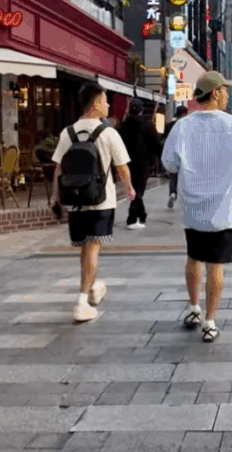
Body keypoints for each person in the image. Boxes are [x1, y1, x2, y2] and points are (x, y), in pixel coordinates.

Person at [161, 71, 232, 343]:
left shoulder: (182, 126)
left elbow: (169, 163)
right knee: (216, 265)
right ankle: (210, 320)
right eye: (224, 90)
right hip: (224, 208)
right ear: (215, 93)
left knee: (194, 257)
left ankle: (194, 308)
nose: (227, 95)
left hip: (192, 206)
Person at [52, 81, 136, 323]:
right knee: (93, 248)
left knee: (86, 249)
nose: (108, 104)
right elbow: (122, 167)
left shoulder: (67, 133)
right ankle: (81, 301)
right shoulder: (108, 133)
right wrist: (129, 189)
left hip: (74, 200)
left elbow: (58, 169)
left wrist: (55, 198)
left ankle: (92, 287)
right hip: (101, 200)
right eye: (106, 100)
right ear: (97, 103)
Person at [118, 98, 161, 229]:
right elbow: (156, 144)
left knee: (133, 189)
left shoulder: (123, 126)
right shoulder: (148, 125)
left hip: (127, 162)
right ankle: (132, 218)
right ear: (142, 110)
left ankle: (141, 214)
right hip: (144, 163)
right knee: (139, 190)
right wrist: (158, 160)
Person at [164, 105, 189, 209]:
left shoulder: (170, 125)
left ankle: (173, 193)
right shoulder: (188, 126)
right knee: (186, 177)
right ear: (184, 114)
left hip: (173, 154)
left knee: (173, 176)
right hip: (185, 154)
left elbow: (165, 140)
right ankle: (186, 199)